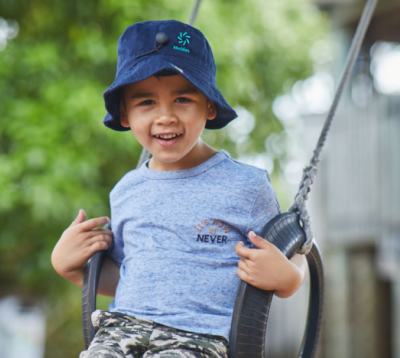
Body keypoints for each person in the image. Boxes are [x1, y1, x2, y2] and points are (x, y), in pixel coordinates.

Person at [51, 19, 307, 358]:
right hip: (121, 329)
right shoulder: (127, 190)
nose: (166, 117)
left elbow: (296, 253)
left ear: (209, 106)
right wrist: (68, 265)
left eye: (183, 99)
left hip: (197, 340)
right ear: (124, 113)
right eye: (147, 103)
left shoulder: (245, 186)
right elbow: (129, 277)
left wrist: (289, 278)